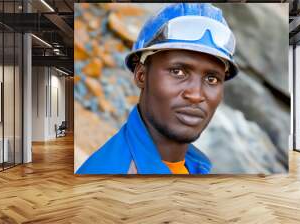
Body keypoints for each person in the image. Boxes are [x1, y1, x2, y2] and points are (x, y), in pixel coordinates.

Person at [76, 3, 238, 174]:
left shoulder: (193, 166)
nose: (196, 94)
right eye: (178, 71)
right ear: (141, 75)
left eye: (211, 79)